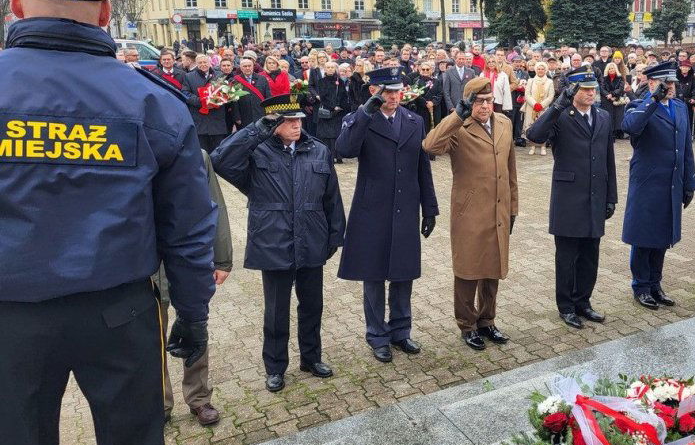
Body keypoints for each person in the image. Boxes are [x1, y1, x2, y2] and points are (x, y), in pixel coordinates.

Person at [0, 0, 216, 445]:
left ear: (16, 4)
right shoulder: (151, 102)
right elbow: (187, 227)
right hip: (119, 315)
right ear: (104, 11)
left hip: (9, 316)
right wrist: (193, 312)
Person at [211, 94, 346, 392]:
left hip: (311, 238)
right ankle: (275, 367)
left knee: (312, 305)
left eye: (299, 119)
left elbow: (332, 197)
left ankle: (311, 358)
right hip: (274, 240)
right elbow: (219, 160)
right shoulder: (256, 152)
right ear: (273, 124)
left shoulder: (319, 150)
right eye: (288, 121)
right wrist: (255, 130)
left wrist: (335, 235)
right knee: (276, 310)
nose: (297, 125)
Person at [336, 67, 439, 363]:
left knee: (403, 272)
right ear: (374, 91)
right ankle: (377, 335)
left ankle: (401, 331)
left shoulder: (414, 120)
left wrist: (429, 208)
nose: (394, 97)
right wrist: (364, 113)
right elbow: (344, 149)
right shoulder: (360, 118)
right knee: (373, 274)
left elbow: (422, 167)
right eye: (388, 92)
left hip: (406, 206)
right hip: (372, 209)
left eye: (398, 91)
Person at [423, 77, 519, 351]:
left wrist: (513, 208)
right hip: (470, 211)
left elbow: (511, 169)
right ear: (468, 102)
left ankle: (487, 320)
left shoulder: (504, 123)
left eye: (488, 100)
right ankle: (467, 324)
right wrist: (456, 116)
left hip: (499, 207)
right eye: (478, 101)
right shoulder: (459, 127)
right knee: (468, 270)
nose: (485, 106)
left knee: (492, 268)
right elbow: (430, 146)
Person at [526, 67, 617, 329]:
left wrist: (611, 196)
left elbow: (609, 159)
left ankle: (583, 302)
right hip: (568, 198)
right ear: (573, 91)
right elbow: (534, 136)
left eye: (593, 89)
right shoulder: (562, 116)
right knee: (566, 257)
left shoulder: (603, 116)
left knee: (590, 255)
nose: (591, 93)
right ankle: (566, 306)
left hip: (595, 196)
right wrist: (556, 106)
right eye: (585, 89)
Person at [158, 149, 231, 426]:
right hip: (145, 262)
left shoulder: (196, 156)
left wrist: (222, 258)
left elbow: (216, 205)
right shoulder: (131, 149)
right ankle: (159, 403)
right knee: (150, 335)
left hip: (189, 259)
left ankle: (199, 397)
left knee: (195, 327)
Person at [621, 61, 695, 310]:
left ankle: (655, 284)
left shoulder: (680, 107)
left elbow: (686, 147)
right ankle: (641, 286)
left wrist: (689, 183)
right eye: (666, 83)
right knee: (644, 236)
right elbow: (630, 128)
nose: (672, 87)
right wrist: (653, 100)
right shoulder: (638, 106)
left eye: (673, 82)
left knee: (663, 235)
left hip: (671, 183)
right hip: (648, 183)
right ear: (652, 82)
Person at [183, 54, 230, 152]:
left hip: (217, 120)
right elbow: (185, 93)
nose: (203, 64)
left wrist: (216, 101)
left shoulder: (220, 75)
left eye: (205, 62)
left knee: (218, 151)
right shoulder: (189, 76)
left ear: (209, 63)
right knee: (203, 152)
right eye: (200, 63)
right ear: (196, 64)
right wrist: (201, 101)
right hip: (200, 120)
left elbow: (226, 92)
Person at [313, 61, 350, 163]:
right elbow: (323, 97)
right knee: (327, 135)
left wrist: (341, 106)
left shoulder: (340, 81)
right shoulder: (321, 81)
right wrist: (333, 107)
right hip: (327, 111)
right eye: (328, 67)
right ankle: (330, 156)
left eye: (332, 67)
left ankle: (339, 156)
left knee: (337, 134)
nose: (330, 69)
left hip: (339, 112)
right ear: (325, 69)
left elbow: (344, 96)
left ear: (335, 69)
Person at [523, 61, 555, 155]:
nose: (540, 70)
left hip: (543, 108)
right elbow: (527, 94)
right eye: (539, 69)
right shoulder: (531, 81)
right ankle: (532, 146)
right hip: (531, 107)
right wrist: (534, 104)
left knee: (543, 127)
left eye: (542, 69)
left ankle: (543, 146)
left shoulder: (549, 82)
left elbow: (551, 96)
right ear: (536, 70)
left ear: (545, 70)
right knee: (531, 126)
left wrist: (542, 105)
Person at [232, 58, 272, 130]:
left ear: (253, 67)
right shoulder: (235, 81)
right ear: (241, 68)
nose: (247, 68)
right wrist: (237, 117)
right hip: (244, 115)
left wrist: (269, 113)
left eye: (249, 66)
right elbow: (234, 101)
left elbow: (268, 97)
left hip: (260, 113)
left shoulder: (262, 79)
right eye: (245, 66)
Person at [601, 62, 627, 140]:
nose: (611, 70)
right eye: (609, 69)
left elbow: (621, 88)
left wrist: (612, 94)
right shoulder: (604, 78)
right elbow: (602, 88)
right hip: (607, 99)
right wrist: (608, 95)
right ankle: (610, 132)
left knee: (618, 115)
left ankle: (618, 132)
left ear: (615, 69)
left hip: (617, 97)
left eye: (612, 68)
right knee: (609, 115)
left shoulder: (620, 77)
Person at [675, 60, 695, 133]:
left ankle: (688, 132)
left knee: (688, 117)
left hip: (688, 100)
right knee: (678, 117)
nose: (684, 68)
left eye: (686, 67)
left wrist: (693, 98)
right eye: (683, 67)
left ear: (689, 68)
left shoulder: (692, 77)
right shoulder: (675, 76)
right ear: (680, 67)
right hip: (677, 100)